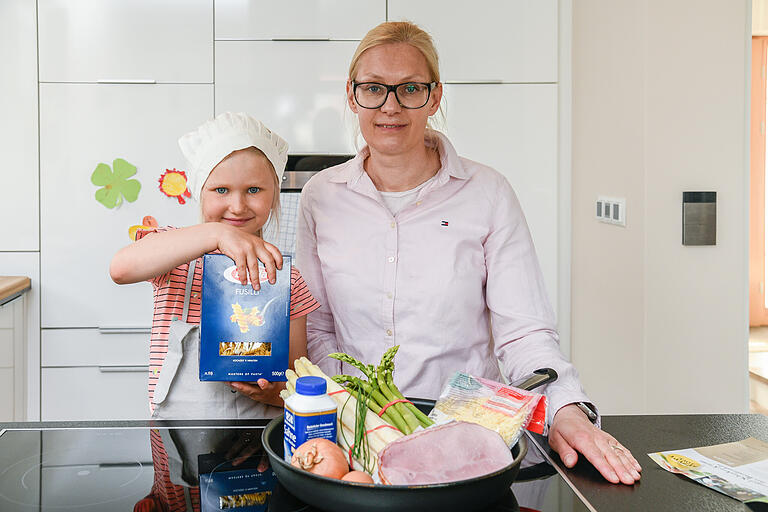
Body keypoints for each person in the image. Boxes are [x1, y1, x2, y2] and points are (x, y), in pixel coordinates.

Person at [296, 21, 642, 485]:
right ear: (353, 95)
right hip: (358, 440)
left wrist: (567, 411)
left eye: (411, 88)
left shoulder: (487, 193)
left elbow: (524, 332)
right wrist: (358, 410)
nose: (391, 106)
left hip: (469, 441)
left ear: (435, 96)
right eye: (374, 88)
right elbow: (317, 325)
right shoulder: (321, 195)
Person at [110, 112, 320, 419]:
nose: (237, 206)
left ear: (274, 194)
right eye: (221, 190)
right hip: (176, 437)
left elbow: (296, 385)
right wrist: (215, 234)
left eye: (254, 190)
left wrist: (272, 392)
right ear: (199, 192)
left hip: (256, 442)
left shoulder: (286, 278)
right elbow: (120, 269)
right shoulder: (175, 254)